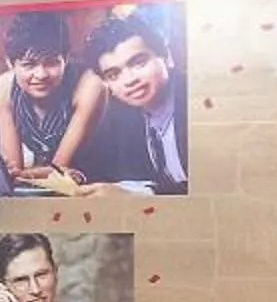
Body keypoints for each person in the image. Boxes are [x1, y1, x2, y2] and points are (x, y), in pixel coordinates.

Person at [66, 10, 188, 193]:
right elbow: (101, 168)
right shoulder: (124, 116)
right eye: (114, 75)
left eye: (138, 63)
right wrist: (63, 175)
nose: (129, 80)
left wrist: (139, 195)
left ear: (167, 57)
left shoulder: (194, 102)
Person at [0, 8, 102, 183]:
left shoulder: (89, 84)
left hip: (101, 182)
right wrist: (17, 174)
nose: (41, 74)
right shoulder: (4, 86)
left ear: (65, 58)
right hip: (50, 185)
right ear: (10, 64)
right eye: (29, 65)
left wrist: (21, 175)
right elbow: (11, 168)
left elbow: (59, 169)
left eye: (51, 63)